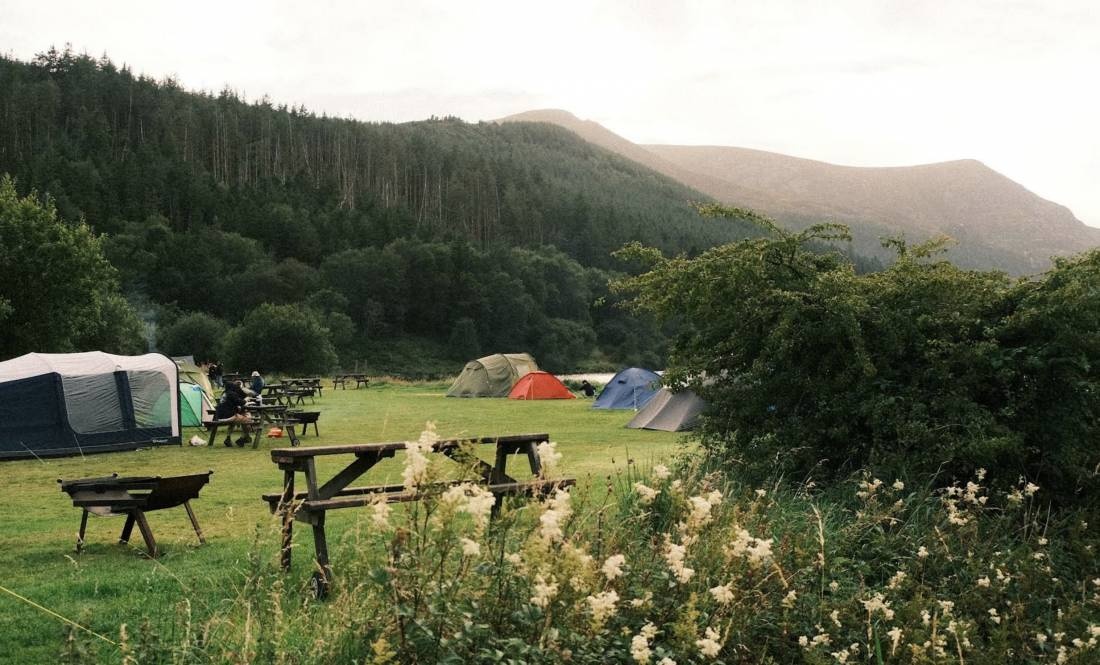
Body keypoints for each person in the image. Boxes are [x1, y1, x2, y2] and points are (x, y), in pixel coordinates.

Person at [214, 381, 252, 447]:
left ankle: (228, 439)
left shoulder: (224, 393)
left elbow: (230, 403)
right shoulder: (232, 394)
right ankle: (241, 439)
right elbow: (241, 402)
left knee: (234, 422)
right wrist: (247, 399)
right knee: (248, 421)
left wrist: (237, 407)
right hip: (228, 417)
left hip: (219, 417)